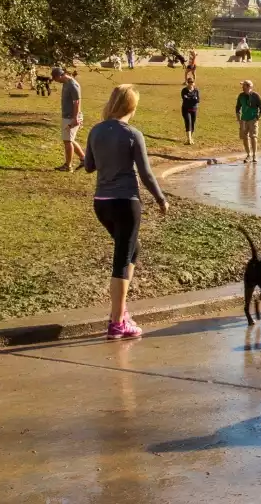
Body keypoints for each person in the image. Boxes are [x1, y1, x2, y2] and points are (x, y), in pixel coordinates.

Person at [81, 84, 170, 340]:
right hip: (126, 202)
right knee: (121, 259)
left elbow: (89, 166)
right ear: (132, 106)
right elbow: (145, 173)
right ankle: (117, 323)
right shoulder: (133, 134)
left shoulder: (96, 130)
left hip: (102, 203)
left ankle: (119, 311)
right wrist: (161, 199)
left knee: (133, 249)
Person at [55, 67, 85, 171]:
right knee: (69, 140)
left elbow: (77, 102)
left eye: (55, 79)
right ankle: (84, 159)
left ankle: (68, 166)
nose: (56, 81)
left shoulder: (73, 85)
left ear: (60, 76)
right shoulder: (65, 83)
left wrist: (75, 118)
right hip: (67, 116)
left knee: (67, 141)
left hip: (71, 117)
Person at [236, 79, 261, 163]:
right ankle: (248, 155)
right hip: (244, 119)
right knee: (244, 137)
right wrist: (239, 119)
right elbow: (237, 107)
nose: (242, 87)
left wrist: (258, 117)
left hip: (253, 119)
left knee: (253, 136)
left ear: (249, 87)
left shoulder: (256, 96)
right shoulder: (241, 96)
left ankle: (255, 155)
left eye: (244, 86)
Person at [180, 79, 200, 144]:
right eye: (189, 82)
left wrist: (190, 98)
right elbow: (185, 99)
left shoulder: (196, 90)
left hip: (194, 109)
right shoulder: (184, 90)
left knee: (193, 124)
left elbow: (198, 100)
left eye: (192, 82)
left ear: (194, 83)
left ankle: (190, 138)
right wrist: (193, 99)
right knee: (188, 122)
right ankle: (189, 140)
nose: (191, 83)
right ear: (187, 83)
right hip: (186, 109)